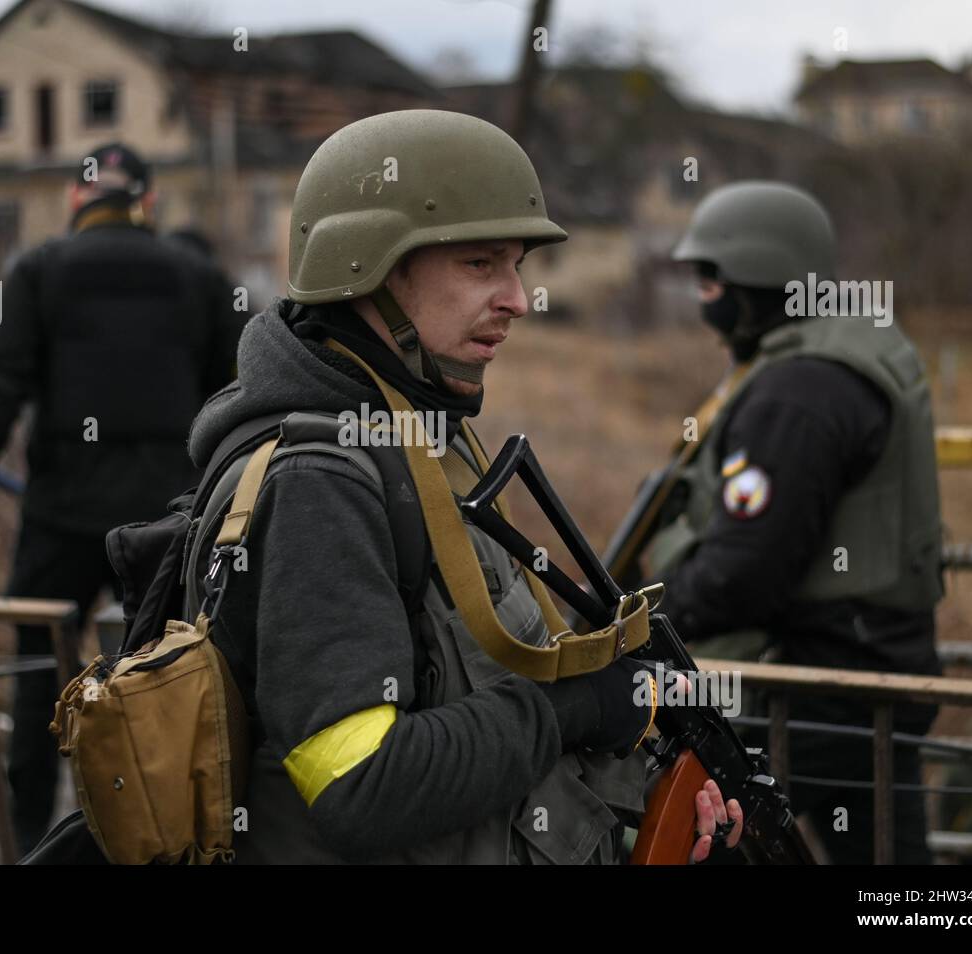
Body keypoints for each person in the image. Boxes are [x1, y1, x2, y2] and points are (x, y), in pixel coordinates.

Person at [183, 109, 743, 864]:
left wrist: (650, 803)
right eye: (482, 264)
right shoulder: (321, 481)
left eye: (517, 265)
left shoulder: (420, 432)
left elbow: (476, 708)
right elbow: (361, 786)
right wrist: (576, 706)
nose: (517, 297)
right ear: (369, 268)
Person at [0, 142, 244, 853]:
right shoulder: (199, 277)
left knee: (40, 666)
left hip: (61, 515)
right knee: (179, 673)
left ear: (77, 199)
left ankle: (22, 832)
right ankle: (173, 830)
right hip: (171, 518)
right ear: (150, 202)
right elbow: (239, 391)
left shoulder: (38, 270)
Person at [650, 180, 944, 864]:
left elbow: (745, 573)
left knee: (684, 825)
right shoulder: (852, 345)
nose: (702, 299)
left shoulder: (798, 390)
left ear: (755, 280)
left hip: (823, 686)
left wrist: (647, 619)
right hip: (883, 669)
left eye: (710, 279)